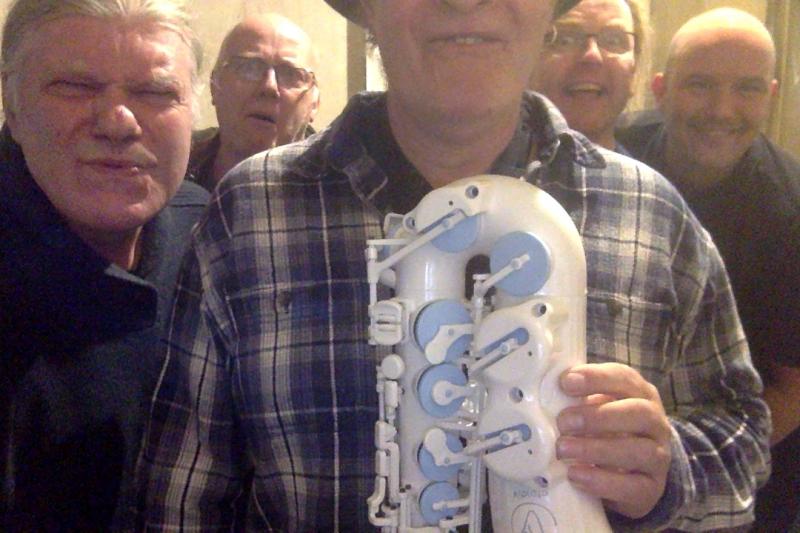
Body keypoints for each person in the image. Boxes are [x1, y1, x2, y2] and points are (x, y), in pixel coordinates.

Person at [136, 0, 769, 530]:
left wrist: (668, 471)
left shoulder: (652, 214)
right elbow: (182, 501)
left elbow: (742, 442)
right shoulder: (249, 213)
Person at [0, 0, 208, 530]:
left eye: (155, 92)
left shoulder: (211, 235)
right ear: (12, 105)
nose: (118, 122)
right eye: (75, 86)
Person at [615, 8, 800, 531]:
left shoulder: (792, 212)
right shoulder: (616, 158)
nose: (723, 110)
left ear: (770, 95)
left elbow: (794, 390)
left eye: (747, 89)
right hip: (614, 459)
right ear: (660, 89)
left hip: (744, 480)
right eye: (700, 85)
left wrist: (671, 469)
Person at [188, 13, 320, 191]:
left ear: (315, 103)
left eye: (290, 74)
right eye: (248, 68)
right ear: (215, 85)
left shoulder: (340, 187)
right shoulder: (174, 164)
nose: (269, 87)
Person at [534, 0, 646, 151]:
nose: (592, 55)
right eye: (565, 40)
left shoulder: (639, 169)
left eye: (614, 41)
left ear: (635, 71)